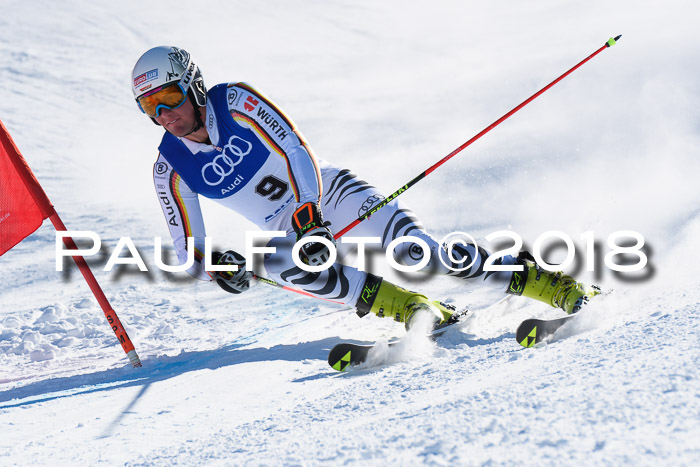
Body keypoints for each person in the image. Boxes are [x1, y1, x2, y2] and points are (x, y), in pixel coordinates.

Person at [131, 46, 597, 328]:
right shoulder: (168, 167)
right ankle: (412, 309)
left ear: (192, 85)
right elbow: (187, 247)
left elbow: (295, 148)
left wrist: (309, 211)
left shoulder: (234, 100)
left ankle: (544, 281)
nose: (165, 114)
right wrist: (216, 268)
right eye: (150, 107)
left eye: (170, 97)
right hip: (290, 229)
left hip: (327, 193)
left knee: (423, 255)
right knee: (280, 266)